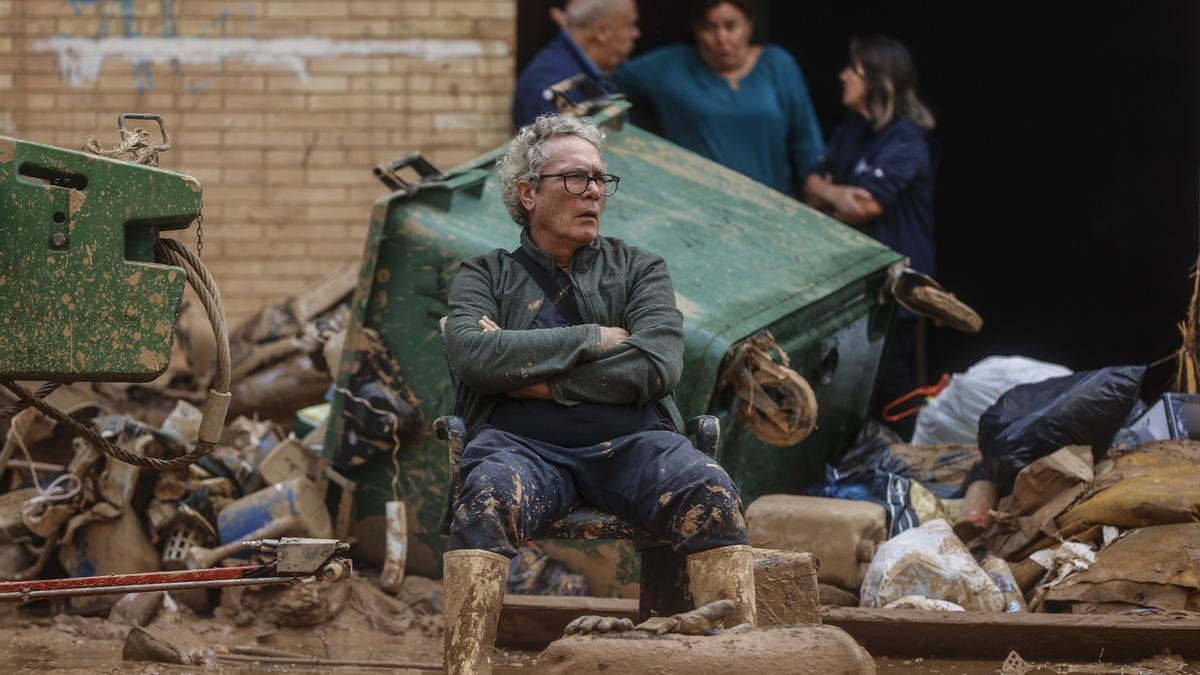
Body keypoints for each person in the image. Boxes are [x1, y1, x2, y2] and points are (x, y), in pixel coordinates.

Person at [441, 114, 755, 674]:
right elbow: (471, 356)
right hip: (519, 450)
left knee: (711, 490)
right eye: (575, 178)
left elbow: (656, 366)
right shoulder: (482, 274)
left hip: (636, 444)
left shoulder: (639, 270)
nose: (593, 192)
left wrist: (532, 377)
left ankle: (742, 662)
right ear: (528, 192)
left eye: (600, 179)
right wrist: (593, 338)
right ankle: (465, 669)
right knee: (484, 497)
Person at [803, 35, 938, 438]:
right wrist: (832, 196)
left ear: (879, 79)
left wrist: (831, 198)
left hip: (895, 293)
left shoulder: (906, 139)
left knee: (894, 391)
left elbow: (863, 206)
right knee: (844, 386)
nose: (843, 76)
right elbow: (809, 184)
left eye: (853, 69)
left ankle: (914, 460)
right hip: (851, 288)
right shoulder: (850, 131)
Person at [612, 0, 823, 196]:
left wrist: (821, 188)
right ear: (696, 30)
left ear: (749, 25)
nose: (721, 39)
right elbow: (601, 79)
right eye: (710, 28)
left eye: (731, 26)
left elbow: (808, 144)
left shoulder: (777, 64)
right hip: (698, 205)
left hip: (772, 208)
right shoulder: (670, 66)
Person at [512, 0, 641, 129]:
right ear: (601, 31)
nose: (636, 33)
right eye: (630, 25)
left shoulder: (591, 69)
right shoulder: (551, 83)